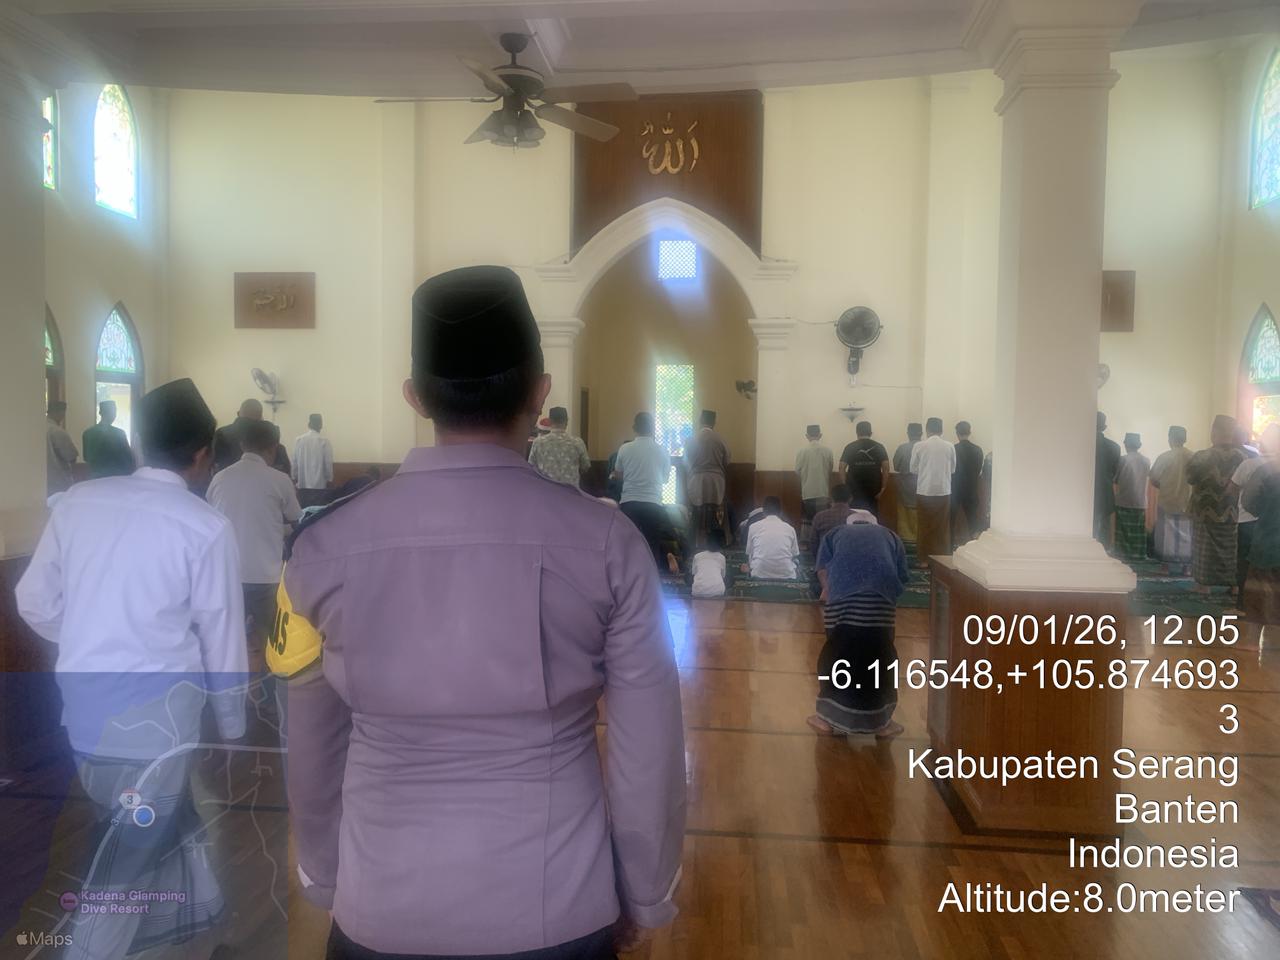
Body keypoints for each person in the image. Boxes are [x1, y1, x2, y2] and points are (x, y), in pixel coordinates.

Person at [267, 266, 685, 960]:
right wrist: (643, 890)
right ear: (540, 392)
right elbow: (650, 749)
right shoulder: (608, 543)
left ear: (414, 396)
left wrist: (324, 874)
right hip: (558, 907)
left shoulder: (320, 548)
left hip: (378, 907)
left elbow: (310, 742)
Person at [16, 378, 248, 960]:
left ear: (140, 443)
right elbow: (222, 637)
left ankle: (192, 930)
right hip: (158, 728)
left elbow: (33, 601)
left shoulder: (77, 503)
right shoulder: (205, 526)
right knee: (126, 865)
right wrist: (234, 727)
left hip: (85, 717)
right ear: (203, 454)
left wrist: (87, 640)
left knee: (148, 829)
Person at [809, 510, 910, 738]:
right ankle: (882, 723)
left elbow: (822, 569)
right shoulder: (890, 536)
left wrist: (828, 590)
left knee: (837, 655)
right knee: (881, 658)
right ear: (875, 524)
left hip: (841, 604)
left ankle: (825, 719)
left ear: (850, 524)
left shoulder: (836, 533)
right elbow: (902, 576)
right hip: (880, 606)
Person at [208, 418, 303, 659]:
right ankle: (267, 679)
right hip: (266, 577)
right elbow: (297, 521)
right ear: (273, 448)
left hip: (227, 576)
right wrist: (278, 529)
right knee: (271, 641)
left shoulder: (220, 478)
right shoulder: (279, 479)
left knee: (228, 644)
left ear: (242, 445)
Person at [614, 411, 682, 568]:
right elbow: (665, 479)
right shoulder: (662, 450)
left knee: (628, 542)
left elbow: (619, 474)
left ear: (634, 428)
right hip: (653, 503)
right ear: (652, 428)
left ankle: (628, 573)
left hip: (629, 503)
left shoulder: (624, 448)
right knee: (652, 542)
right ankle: (651, 575)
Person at [1186, 415, 1246, 592]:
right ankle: (1234, 587)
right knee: (1230, 550)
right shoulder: (1243, 458)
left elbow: (1190, 478)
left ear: (1214, 432)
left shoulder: (1202, 456)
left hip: (1205, 511)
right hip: (1232, 511)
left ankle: (1203, 586)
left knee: (1204, 550)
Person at [1240, 424, 1280, 633]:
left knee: (1258, 597)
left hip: (1267, 542)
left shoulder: (1265, 471)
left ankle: (1256, 642)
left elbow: (1249, 503)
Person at [1230, 428, 1271, 603]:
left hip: (1247, 521)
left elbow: (1232, 489)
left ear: (1261, 444)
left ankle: (1241, 601)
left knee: (1245, 561)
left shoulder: (1249, 465)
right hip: (1274, 523)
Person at [909, 418, 955, 567]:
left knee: (924, 526)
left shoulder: (919, 445)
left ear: (927, 430)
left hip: (924, 490)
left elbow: (913, 469)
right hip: (944, 491)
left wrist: (925, 471)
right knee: (942, 528)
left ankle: (924, 560)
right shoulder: (949, 446)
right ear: (941, 430)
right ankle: (942, 561)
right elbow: (953, 469)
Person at [1150, 425, 1194, 576]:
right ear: (1185, 439)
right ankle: (1187, 568)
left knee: (1165, 536)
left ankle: (1165, 567)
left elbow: (1154, 478)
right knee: (1187, 534)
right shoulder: (1193, 457)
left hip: (1167, 501)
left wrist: (1164, 486)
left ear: (1170, 438)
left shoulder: (1164, 457)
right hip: (1187, 502)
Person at [685, 409, 731, 549]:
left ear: (700, 421)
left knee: (696, 511)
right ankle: (716, 543)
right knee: (715, 512)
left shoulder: (691, 439)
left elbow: (686, 461)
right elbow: (727, 460)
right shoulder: (720, 439)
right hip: (716, 481)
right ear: (714, 422)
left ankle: (692, 544)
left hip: (696, 480)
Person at [213, 398, 290, 475]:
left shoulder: (221, 434)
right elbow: (284, 472)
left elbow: (214, 466)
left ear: (238, 414)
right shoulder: (270, 437)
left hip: (226, 480)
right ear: (260, 418)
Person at [529, 405, 591, 488]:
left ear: (550, 421)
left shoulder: (538, 442)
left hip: (546, 490)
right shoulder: (577, 442)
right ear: (566, 421)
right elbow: (586, 466)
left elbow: (531, 467)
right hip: (570, 491)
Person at [795, 424, 834, 549]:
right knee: (822, 518)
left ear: (807, 436)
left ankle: (805, 543)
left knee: (807, 519)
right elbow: (830, 469)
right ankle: (823, 542)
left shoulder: (801, 451)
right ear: (820, 435)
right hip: (823, 490)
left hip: (807, 490)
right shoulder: (828, 451)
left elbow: (797, 471)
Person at [1113, 432, 1151, 563]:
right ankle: (1138, 555)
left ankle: (1122, 554)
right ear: (1139, 445)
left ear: (1126, 444)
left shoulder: (1123, 459)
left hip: (1124, 499)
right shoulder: (1146, 460)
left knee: (1123, 530)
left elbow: (1115, 479)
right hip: (1140, 501)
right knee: (1138, 530)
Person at [839, 420, 889, 516]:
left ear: (857, 433)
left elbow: (841, 468)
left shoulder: (850, 447)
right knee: (872, 515)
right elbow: (886, 468)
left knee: (854, 515)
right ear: (871, 433)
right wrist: (883, 488)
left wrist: (845, 487)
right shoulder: (879, 447)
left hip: (853, 489)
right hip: (874, 488)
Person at [744, 496, 800, 580]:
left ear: (763, 512)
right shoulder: (790, 529)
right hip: (786, 574)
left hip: (758, 573)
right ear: (780, 512)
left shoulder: (753, 527)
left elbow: (749, 552)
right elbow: (795, 554)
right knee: (796, 561)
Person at [82, 399, 135, 479]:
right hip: (117, 477)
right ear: (112, 413)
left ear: (100, 413)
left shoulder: (87, 433)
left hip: (96, 477)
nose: (115, 414)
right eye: (114, 411)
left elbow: (86, 457)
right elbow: (128, 459)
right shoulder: (119, 433)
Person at [951, 421, 984, 546]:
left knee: (950, 521)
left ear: (957, 433)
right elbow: (978, 470)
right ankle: (975, 547)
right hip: (971, 489)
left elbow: (950, 470)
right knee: (973, 521)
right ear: (969, 432)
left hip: (955, 490)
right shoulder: (978, 450)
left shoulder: (953, 449)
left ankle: (949, 548)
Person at [293, 413, 334, 507]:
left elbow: (294, 461)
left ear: (309, 424)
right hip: (319, 486)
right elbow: (328, 463)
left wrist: (294, 477)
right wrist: (329, 479)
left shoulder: (299, 440)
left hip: (302, 485)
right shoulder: (324, 441)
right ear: (321, 425)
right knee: (318, 512)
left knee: (303, 511)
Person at [1094, 412, 1122, 548]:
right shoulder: (1114, 447)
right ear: (1104, 427)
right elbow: (1116, 473)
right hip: (1105, 492)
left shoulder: (1081, 444)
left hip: (1084, 492)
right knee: (1104, 526)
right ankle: (1104, 551)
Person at [891, 422, 922, 542]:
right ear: (921, 433)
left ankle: (906, 541)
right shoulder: (926, 448)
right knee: (921, 514)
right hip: (923, 487)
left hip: (905, 485)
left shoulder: (902, 448)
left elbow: (896, 466)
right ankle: (919, 540)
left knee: (904, 516)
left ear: (908, 433)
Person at [811, 484, 854, 556]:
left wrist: (819, 559)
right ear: (850, 499)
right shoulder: (855, 517)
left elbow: (814, 543)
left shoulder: (819, 516)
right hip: (849, 559)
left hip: (826, 559)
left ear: (831, 499)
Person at [46, 400, 78, 494]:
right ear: (60, 412)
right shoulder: (57, 431)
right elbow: (71, 457)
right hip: (58, 482)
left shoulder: (36, 428)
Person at [690, 528, 731, 599]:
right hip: (717, 591)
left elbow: (693, 574)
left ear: (706, 542)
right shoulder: (722, 557)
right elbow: (723, 576)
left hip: (698, 591)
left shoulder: (697, 556)